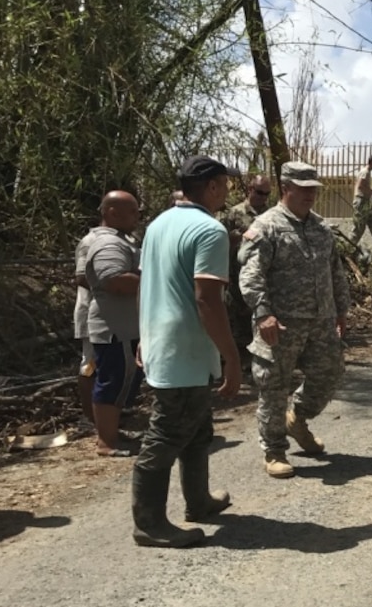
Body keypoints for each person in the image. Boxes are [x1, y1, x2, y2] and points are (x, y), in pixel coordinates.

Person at [132, 156, 241, 548]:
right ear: (211, 187)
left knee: (197, 428)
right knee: (167, 433)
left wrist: (144, 336)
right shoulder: (210, 231)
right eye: (225, 184)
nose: (228, 191)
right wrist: (231, 355)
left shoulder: (158, 225)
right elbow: (207, 300)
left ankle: (198, 501)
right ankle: (148, 522)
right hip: (186, 348)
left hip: (165, 342)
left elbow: (148, 287)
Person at [239, 161, 351, 478]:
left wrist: (342, 310)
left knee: (330, 372)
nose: (311, 195)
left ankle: (297, 418)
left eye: (314, 189)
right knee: (273, 388)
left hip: (320, 320)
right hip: (279, 323)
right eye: (304, 189)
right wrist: (263, 314)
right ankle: (274, 451)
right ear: (286, 188)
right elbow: (251, 276)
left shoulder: (321, 227)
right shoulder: (266, 226)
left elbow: (335, 272)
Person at [85, 191, 144, 457]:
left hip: (126, 328)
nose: (137, 216)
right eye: (132, 211)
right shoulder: (108, 244)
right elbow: (116, 280)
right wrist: (158, 280)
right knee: (112, 381)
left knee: (124, 380)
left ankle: (113, 433)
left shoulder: (121, 240)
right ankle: (106, 442)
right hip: (114, 329)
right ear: (111, 212)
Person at [221, 175, 272, 360]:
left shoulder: (271, 215)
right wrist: (232, 240)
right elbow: (219, 243)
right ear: (249, 189)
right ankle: (237, 364)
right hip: (236, 277)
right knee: (237, 324)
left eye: (267, 194)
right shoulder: (234, 213)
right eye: (259, 192)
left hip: (263, 278)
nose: (263, 197)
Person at [72, 219, 107, 431]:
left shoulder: (129, 240)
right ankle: (89, 418)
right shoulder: (89, 241)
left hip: (113, 315)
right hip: (92, 312)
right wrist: (114, 286)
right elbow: (81, 277)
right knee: (90, 364)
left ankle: (107, 414)